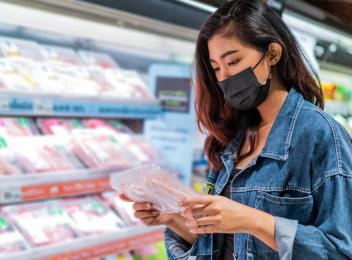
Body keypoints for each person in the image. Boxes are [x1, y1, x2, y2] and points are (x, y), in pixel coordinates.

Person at [120, 0, 352, 259]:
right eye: (216, 67)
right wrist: (173, 218)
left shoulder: (321, 134)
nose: (224, 77)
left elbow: (340, 250)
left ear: (273, 54)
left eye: (233, 61)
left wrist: (252, 220)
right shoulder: (231, 137)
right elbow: (223, 244)